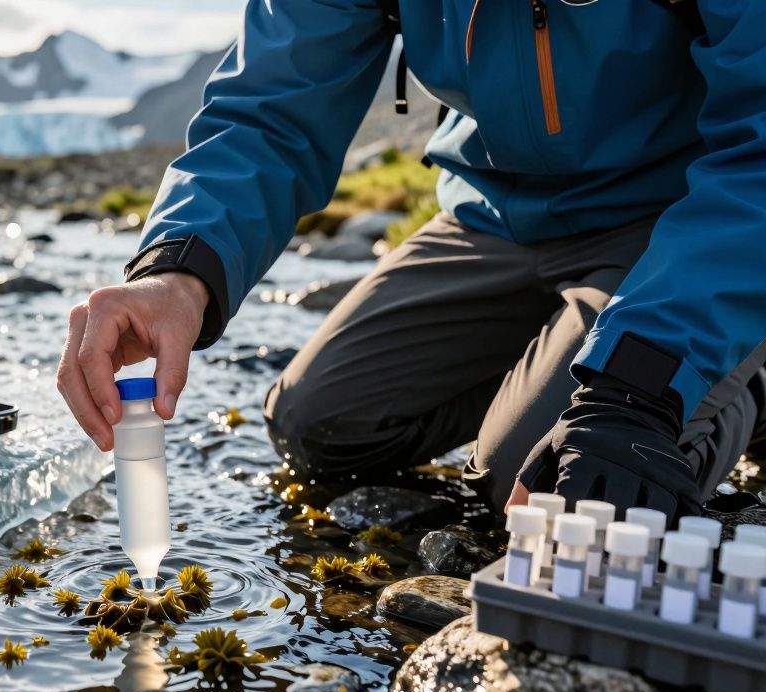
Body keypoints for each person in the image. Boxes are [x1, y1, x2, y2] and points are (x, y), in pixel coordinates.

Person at [57, 0, 766, 520]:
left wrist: (633, 393)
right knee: (318, 425)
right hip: (493, 217)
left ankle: (743, 371)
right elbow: (269, 111)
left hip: (678, 223)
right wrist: (176, 274)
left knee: (545, 483)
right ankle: (567, 370)